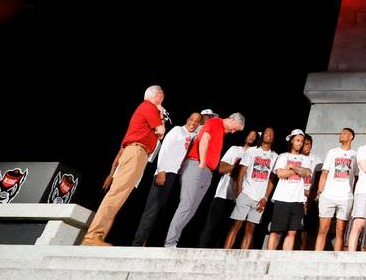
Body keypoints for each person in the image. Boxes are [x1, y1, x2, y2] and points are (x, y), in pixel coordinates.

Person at [83, 85, 167, 246]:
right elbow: (161, 131)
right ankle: (92, 235)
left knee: (119, 195)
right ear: (157, 95)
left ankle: (97, 236)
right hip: (136, 151)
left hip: (138, 153)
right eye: (162, 96)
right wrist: (160, 112)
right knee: (117, 193)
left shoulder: (146, 108)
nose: (162, 100)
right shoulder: (149, 106)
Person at [163, 112, 245, 248]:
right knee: (186, 205)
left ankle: (174, 241)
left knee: (192, 209)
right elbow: (205, 138)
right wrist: (202, 162)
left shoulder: (221, 131)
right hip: (196, 165)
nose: (233, 131)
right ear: (231, 120)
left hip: (207, 172)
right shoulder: (215, 122)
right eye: (234, 128)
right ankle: (170, 242)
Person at [132, 111, 200, 246]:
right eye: (191, 119)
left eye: (196, 121)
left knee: (161, 211)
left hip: (175, 175)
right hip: (165, 172)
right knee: (152, 209)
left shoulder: (192, 136)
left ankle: (147, 243)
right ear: (187, 119)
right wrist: (161, 170)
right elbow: (164, 149)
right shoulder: (177, 130)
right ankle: (137, 243)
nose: (193, 123)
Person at [196, 128, 258, 248]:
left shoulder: (255, 153)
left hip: (241, 196)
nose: (251, 137)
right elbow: (221, 168)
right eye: (250, 134)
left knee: (227, 230)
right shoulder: (235, 149)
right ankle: (200, 250)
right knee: (211, 226)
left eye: (254, 136)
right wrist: (239, 167)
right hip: (223, 194)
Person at [224, 126, 277, 249]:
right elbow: (241, 172)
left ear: (273, 138)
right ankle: (224, 255)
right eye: (266, 132)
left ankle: (243, 259)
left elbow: (272, 180)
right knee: (236, 225)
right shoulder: (252, 151)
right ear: (262, 135)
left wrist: (265, 198)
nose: (268, 134)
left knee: (250, 228)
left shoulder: (275, 156)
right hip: (246, 193)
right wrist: (239, 192)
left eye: (271, 133)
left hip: (260, 199)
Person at [267, 129, 313, 250]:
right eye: (297, 140)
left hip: (297, 199)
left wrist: (292, 167)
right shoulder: (283, 156)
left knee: (292, 232)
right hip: (282, 198)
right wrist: (298, 169)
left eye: (302, 141)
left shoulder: (306, 159)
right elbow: (281, 174)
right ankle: (268, 257)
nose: (300, 143)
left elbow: (307, 172)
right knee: (275, 231)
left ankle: (283, 259)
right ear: (292, 141)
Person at [315, 127, 357, 251]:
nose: (341, 135)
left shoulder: (355, 155)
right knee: (323, 229)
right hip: (328, 195)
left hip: (346, 197)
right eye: (341, 133)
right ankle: (316, 257)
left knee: (340, 231)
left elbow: (357, 177)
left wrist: (354, 195)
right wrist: (320, 191)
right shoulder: (332, 152)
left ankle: (337, 259)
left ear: (351, 137)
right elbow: (324, 173)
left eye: (345, 133)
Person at [300, 135, 322, 249]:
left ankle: (304, 250)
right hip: (295, 197)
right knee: (292, 228)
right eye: (305, 143)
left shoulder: (317, 160)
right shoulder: (295, 158)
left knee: (307, 228)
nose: (307, 146)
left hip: (311, 198)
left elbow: (318, 181)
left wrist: (310, 197)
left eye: (309, 144)